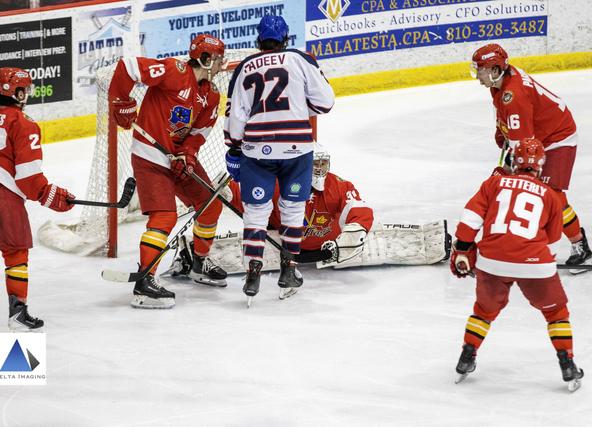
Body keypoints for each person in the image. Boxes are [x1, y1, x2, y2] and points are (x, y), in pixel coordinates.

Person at [165, 145, 449, 281]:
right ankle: (193, 255)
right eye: (315, 164)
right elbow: (249, 199)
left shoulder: (338, 186)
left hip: (329, 246)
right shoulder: (280, 184)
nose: (320, 170)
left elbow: (360, 210)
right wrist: (226, 191)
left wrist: (351, 236)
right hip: (281, 245)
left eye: (324, 164)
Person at [450, 137, 584, 391]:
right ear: (541, 165)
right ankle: (567, 363)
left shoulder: (494, 183)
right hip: (535, 264)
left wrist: (463, 250)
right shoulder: (551, 195)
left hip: (491, 262)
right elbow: (553, 240)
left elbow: (470, 218)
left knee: (484, 312)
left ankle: (467, 356)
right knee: (556, 313)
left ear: (514, 161)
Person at [109, 34, 228, 308]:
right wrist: (121, 102)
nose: (222, 64)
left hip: (177, 159)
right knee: (164, 216)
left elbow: (199, 132)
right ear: (205, 59)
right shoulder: (175, 71)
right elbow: (128, 67)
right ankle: (144, 283)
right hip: (150, 156)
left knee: (210, 205)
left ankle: (198, 262)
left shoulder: (211, 95)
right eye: (218, 59)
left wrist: (187, 154)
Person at [0, 67, 74, 331]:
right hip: (1, 195)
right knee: (15, 252)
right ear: (17, 93)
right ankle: (18, 315)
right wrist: (51, 196)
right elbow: (29, 177)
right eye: (25, 89)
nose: (27, 93)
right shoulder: (24, 123)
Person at [223, 15, 335, 303]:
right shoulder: (300, 59)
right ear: (286, 39)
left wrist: (234, 148)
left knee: (256, 210)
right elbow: (326, 103)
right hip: (296, 148)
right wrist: (298, 106)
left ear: (258, 40)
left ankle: (253, 272)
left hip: (257, 150)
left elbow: (235, 117)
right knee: (293, 208)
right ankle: (289, 270)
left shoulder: (245, 67)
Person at [471, 43, 591, 273]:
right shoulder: (500, 83)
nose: (477, 76)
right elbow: (508, 117)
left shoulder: (513, 95)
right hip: (540, 135)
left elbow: (523, 149)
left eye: (481, 71)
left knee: (552, 195)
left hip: (558, 138)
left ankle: (580, 245)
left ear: (495, 70)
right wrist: (502, 129)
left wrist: (505, 172)